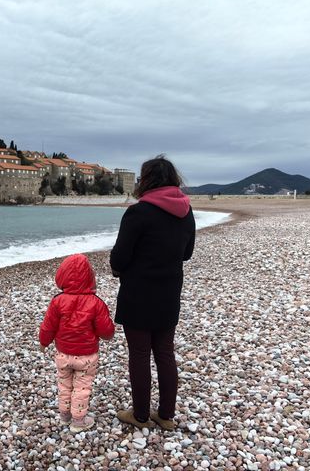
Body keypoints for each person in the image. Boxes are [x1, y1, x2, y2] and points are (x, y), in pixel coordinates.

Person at [110, 155, 196, 431]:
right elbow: (186, 253)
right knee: (165, 353)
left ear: (146, 180)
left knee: (139, 354)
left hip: (138, 294)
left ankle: (140, 416)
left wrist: (120, 269)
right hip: (169, 293)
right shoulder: (186, 211)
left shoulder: (139, 212)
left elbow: (119, 258)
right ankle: (166, 415)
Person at [39, 254, 115, 432]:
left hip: (63, 354)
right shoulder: (96, 303)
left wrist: (43, 342)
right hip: (87, 356)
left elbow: (48, 326)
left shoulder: (57, 301)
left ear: (62, 276)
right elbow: (106, 331)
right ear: (90, 277)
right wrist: (109, 334)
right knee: (82, 387)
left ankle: (65, 416)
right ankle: (78, 421)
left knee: (64, 385)